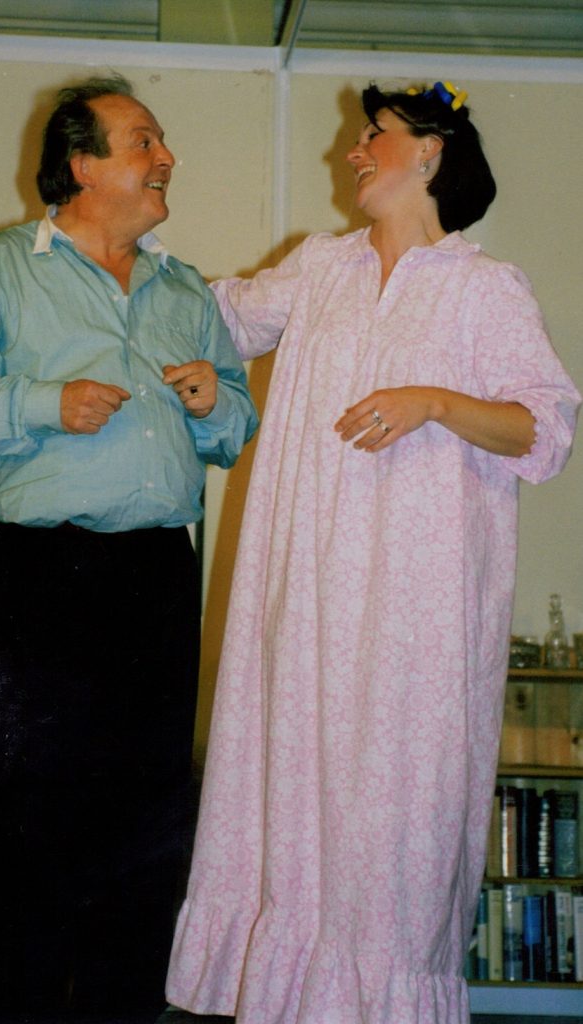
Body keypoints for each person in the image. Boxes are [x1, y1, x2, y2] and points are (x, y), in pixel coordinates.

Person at [166, 81, 581, 1023]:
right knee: (289, 800)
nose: (353, 151)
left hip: (416, 605)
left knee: (396, 824)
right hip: (306, 593)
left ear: (429, 151)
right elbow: (215, 314)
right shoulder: (321, 267)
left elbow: (543, 430)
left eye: (373, 136)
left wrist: (431, 400)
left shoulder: (483, 287)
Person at [0, 73, 257, 1019]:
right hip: (36, 572)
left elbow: (235, 429)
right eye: (144, 140)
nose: (166, 158)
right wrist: (45, 403)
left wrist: (215, 403)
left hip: (156, 574)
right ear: (81, 165)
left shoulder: (184, 289)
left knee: (145, 823)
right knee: (19, 820)